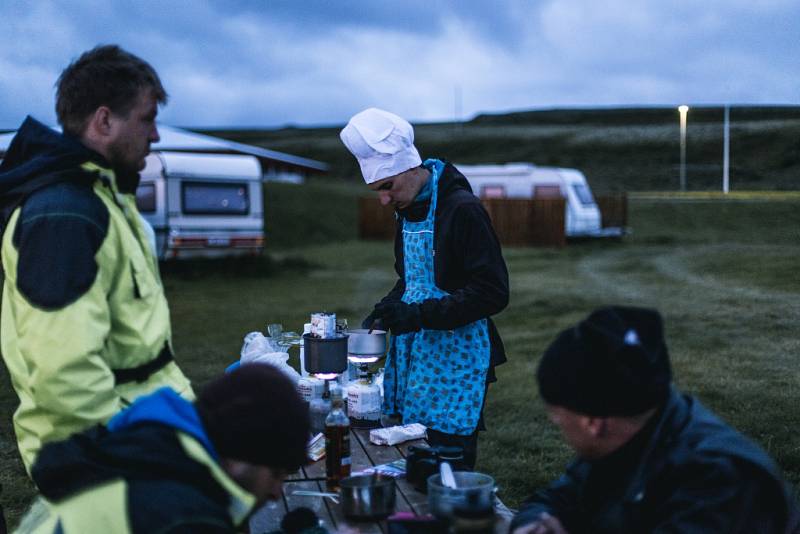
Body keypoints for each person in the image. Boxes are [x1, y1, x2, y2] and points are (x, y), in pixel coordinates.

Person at [0, 44, 193, 474]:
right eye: (147, 118)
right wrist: (119, 465)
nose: (156, 135)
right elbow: (64, 373)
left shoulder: (103, 196)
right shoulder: (63, 216)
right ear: (104, 121)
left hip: (146, 433)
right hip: (109, 459)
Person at [511, 306, 800, 534]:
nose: (557, 426)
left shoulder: (721, 480)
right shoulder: (638, 429)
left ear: (593, 423)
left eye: (559, 420)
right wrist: (534, 523)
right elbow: (558, 497)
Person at [340, 108, 509, 469]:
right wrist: (387, 308)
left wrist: (418, 315)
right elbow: (412, 278)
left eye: (387, 187)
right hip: (415, 352)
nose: (384, 200)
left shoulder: (463, 209)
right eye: (377, 191)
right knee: (410, 448)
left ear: (411, 169)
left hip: (456, 355)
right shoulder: (408, 210)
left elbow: (491, 291)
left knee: (447, 456)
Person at [15, 364, 314, 533]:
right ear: (239, 456)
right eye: (275, 473)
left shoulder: (155, 457)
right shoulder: (184, 515)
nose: (277, 491)